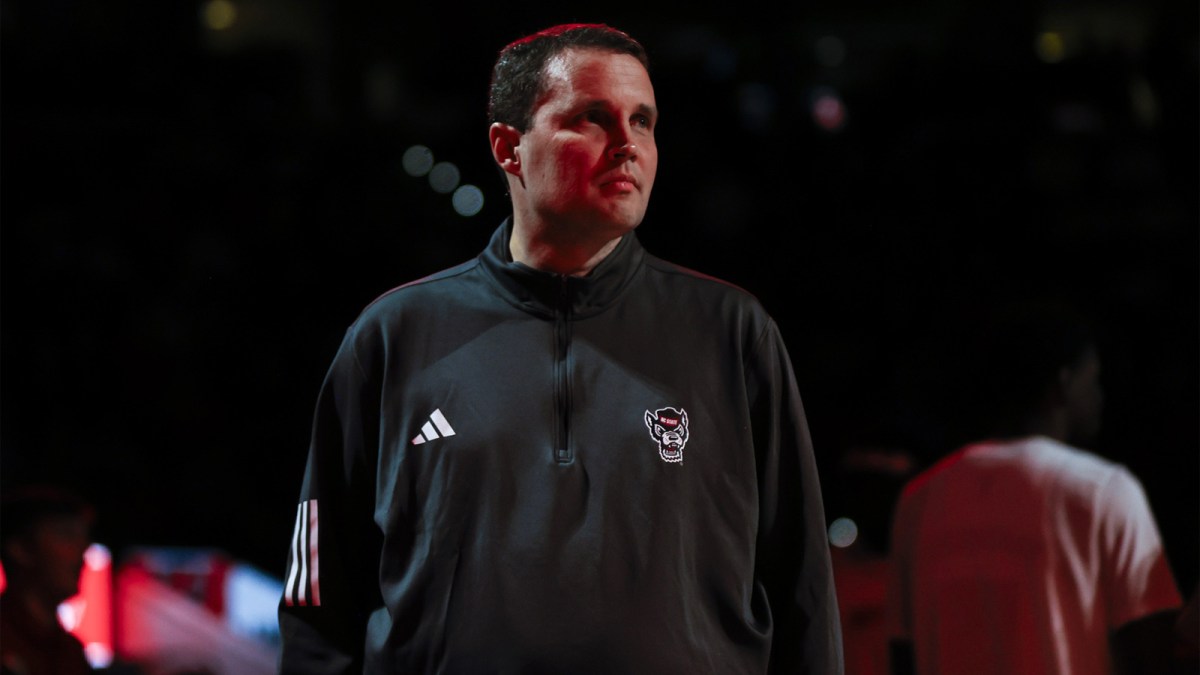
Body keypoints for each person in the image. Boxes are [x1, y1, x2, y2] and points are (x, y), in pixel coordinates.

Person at [277, 22, 843, 674]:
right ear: (509, 147)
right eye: (593, 119)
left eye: (644, 120)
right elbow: (318, 605)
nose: (628, 144)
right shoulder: (393, 336)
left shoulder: (731, 332)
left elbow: (801, 586)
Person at [885, 301, 1184, 675]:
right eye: (1093, 379)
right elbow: (1152, 646)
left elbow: (902, 651)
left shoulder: (922, 498)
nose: (1100, 397)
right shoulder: (1104, 490)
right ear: (1062, 384)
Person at [0, 485, 95, 675]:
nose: (83, 551)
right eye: (66, 535)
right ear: (20, 549)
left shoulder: (72, 651)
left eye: (84, 538)